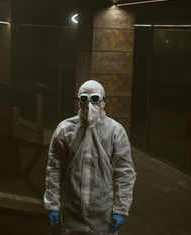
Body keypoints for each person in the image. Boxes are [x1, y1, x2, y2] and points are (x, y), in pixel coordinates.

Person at [44, 80, 136, 234]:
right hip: (72, 209)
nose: (89, 105)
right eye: (84, 99)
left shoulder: (115, 131)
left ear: (103, 101)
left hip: (102, 211)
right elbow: (55, 169)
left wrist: (121, 209)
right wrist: (52, 204)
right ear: (78, 102)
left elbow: (124, 173)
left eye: (95, 99)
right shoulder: (65, 130)